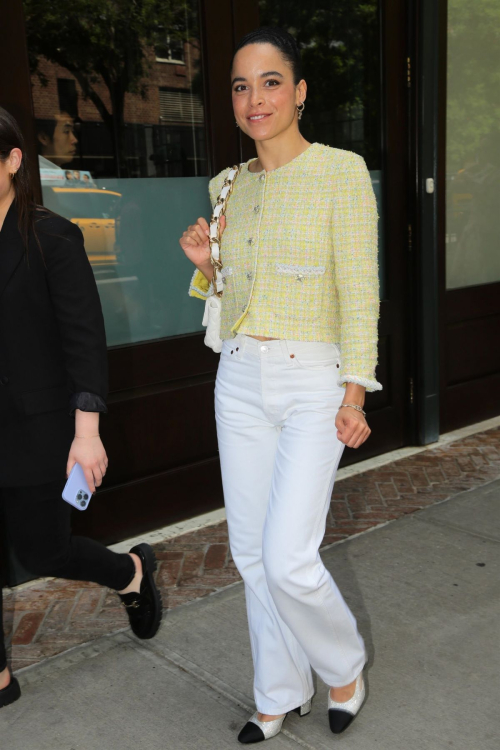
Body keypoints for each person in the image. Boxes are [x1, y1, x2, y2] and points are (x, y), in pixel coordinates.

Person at [180, 27, 382, 743]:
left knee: (292, 556)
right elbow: (229, 293)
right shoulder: (228, 185)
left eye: (270, 82)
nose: (254, 98)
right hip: (238, 379)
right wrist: (208, 263)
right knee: (252, 552)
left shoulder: (341, 172)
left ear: (298, 92)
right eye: (241, 85)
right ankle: (278, 688)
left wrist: (356, 393)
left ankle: (344, 665)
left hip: (312, 384)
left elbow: (359, 290)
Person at [0, 107, 162, 710]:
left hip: (37, 428)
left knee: (43, 549)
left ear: (14, 161)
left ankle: (130, 574)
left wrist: (86, 434)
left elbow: (84, 344)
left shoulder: (52, 238)